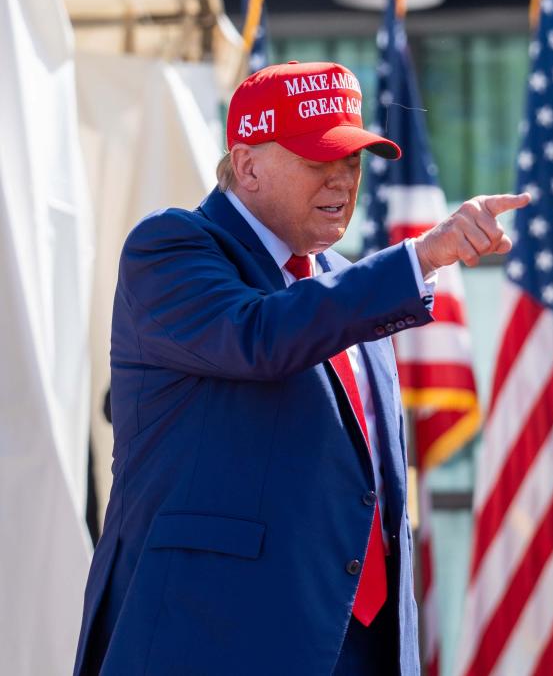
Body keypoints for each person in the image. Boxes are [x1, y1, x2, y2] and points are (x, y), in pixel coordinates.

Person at [73, 60, 528, 675]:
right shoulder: (172, 248)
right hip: (214, 646)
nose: (343, 179)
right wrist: (420, 256)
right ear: (249, 163)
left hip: (357, 647)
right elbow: (260, 335)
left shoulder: (350, 283)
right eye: (321, 159)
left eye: (354, 160)